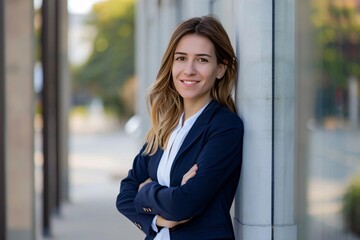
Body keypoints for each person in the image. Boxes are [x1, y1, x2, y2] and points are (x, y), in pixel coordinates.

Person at [116, 15, 244, 240]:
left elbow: (183, 204)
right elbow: (124, 195)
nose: (189, 70)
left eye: (202, 60)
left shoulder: (225, 127)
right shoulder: (166, 125)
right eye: (181, 58)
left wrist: (146, 190)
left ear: (221, 69)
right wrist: (157, 220)